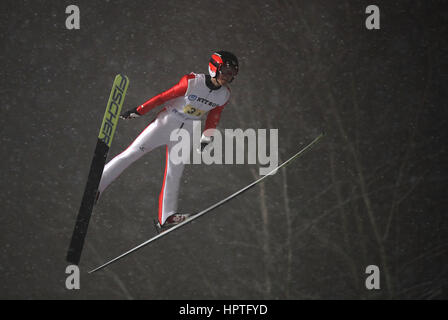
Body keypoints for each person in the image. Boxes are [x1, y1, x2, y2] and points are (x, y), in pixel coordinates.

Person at [96, 51, 239, 232]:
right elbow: (164, 97)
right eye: (225, 72)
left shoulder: (224, 95)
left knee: (175, 171)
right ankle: (98, 185)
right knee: (132, 153)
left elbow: (214, 115)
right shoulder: (192, 82)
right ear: (214, 68)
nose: (228, 78)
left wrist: (207, 136)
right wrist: (139, 110)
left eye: (232, 74)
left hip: (188, 129)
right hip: (167, 122)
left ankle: (166, 217)